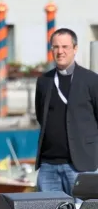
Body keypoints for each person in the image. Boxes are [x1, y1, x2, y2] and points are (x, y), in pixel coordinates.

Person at [34, 28, 98, 202]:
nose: (60, 51)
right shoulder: (43, 81)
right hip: (48, 166)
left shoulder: (91, 80)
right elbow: (41, 116)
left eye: (65, 46)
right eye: (55, 47)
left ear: (75, 49)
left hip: (81, 166)